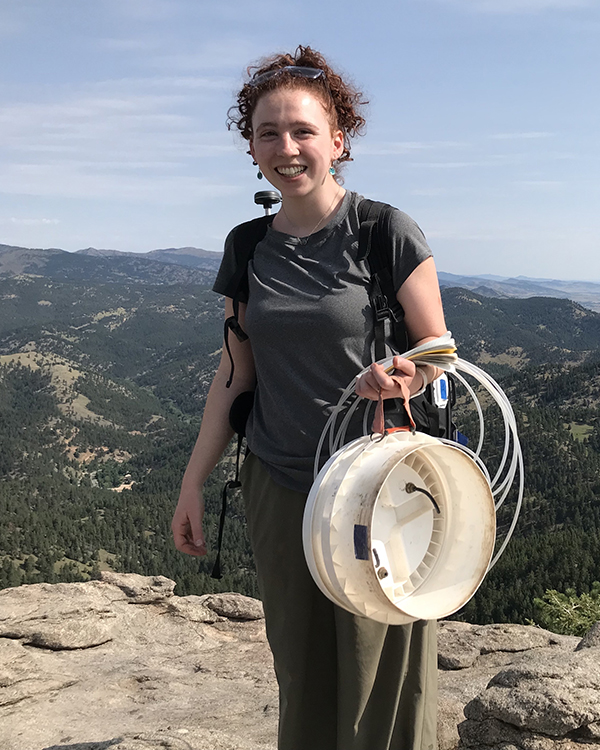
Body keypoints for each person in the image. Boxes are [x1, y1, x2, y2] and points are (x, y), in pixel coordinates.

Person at [172, 45, 446, 750]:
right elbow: (236, 376)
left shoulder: (383, 231)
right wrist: (193, 482)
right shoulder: (248, 246)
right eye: (268, 133)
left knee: (380, 665)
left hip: (377, 483)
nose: (286, 148)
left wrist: (403, 376)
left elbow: (438, 355)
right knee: (301, 665)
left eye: (302, 131)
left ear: (338, 140)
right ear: (251, 146)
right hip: (280, 482)